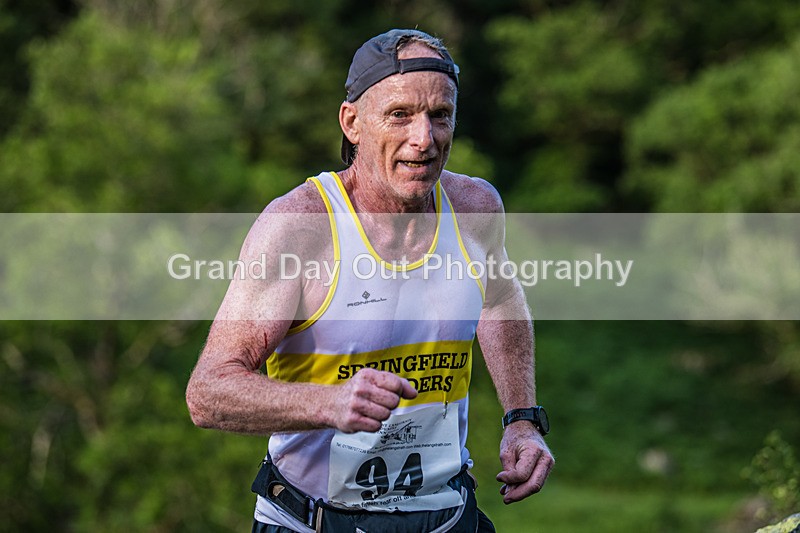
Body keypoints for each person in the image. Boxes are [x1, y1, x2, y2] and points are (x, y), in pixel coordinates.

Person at [186, 29, 554, 532]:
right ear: (352, 122)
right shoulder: (299, 227)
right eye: (399, 115)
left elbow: (499, 301)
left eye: (439, 115)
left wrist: (522, 419)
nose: (423, 139)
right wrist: (328, 403)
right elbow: (207, 393)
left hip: (446, 516)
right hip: (314, 521)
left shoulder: (474, 209)